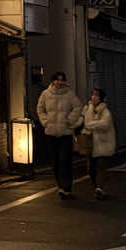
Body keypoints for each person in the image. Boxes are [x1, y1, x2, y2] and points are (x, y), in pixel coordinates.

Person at [36, 70, 83, 199]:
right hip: (51, 133)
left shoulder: (69, 94)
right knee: (55, 161)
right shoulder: (45, 94)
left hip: (65, 133)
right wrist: (45, 122)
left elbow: (78, 107)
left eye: (62, 80)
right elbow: (40, 109)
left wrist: (70, 120)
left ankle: (67, 187)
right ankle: (60, 186)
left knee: (65, 160)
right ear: (53, 81)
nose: (59, 82)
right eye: (57, 80)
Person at [81, 87, 116, 199]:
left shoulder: (105, 111)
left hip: (103, 144)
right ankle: (97, 187)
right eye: (93, 94)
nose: (94, 97)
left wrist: (91, 125)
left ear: (101, 98)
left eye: (97, 95)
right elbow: (84, 121)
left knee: (100, 167)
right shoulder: (87, 109)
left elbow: (104, 125)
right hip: (90, 143)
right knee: (91, 169)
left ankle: (100, 188)